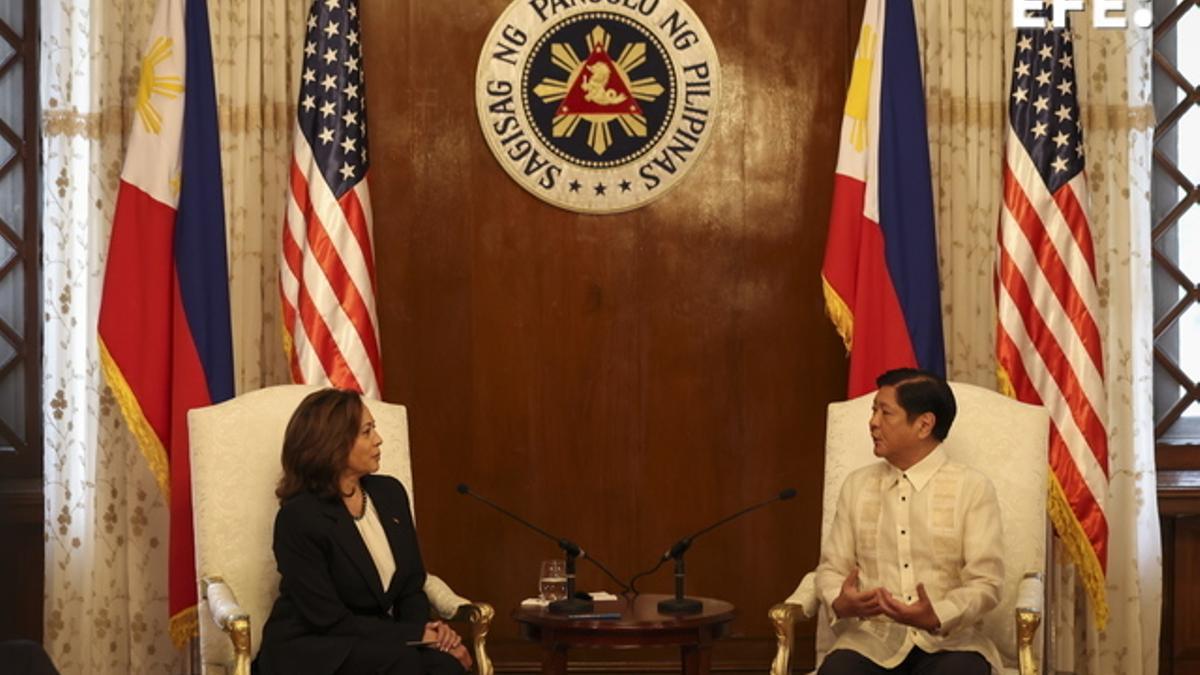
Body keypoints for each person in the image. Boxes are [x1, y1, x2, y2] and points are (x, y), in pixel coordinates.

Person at [255, 389, 472, 675]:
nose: (378, 440)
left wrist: (427, 634)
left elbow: (410, 586)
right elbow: (327, 618)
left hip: (375, 641)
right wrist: (414, 636)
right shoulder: (298, 518)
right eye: (367, 432)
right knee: (403, 664)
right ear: (334, 444)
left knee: (445, 665)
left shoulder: (390, 494)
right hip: (313, 647)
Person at [814, 369, 1004, 675]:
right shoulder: (856, 485)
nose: (873, 422)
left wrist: (937, 615)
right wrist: (840, 601)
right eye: (873, 410)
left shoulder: (972, 488)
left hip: (949, 643)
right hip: (872, 642)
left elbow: (987, 582)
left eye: (885, 412)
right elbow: (831, 568)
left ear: (924, 424)